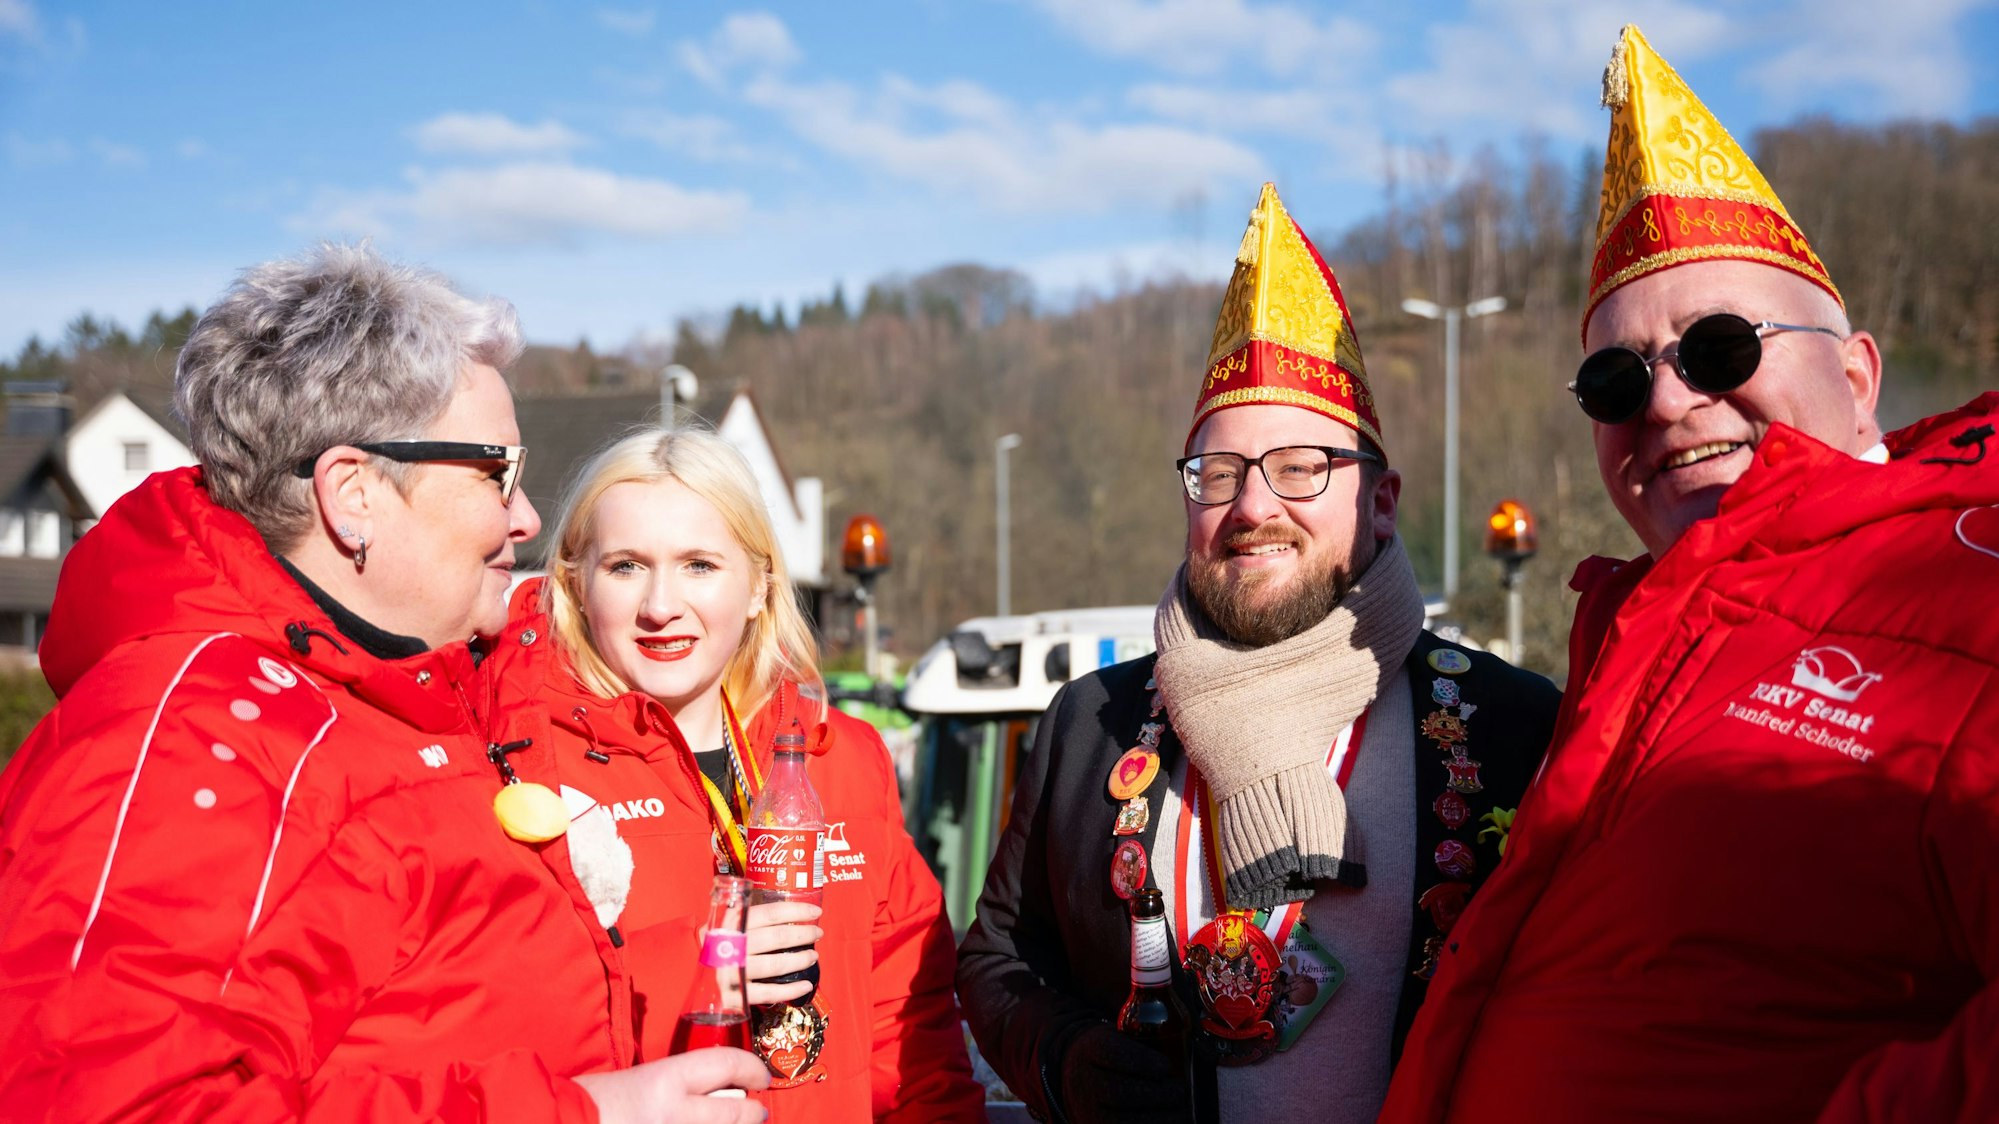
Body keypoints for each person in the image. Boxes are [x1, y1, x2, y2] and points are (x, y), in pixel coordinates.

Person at [1380, 26, 1999, 1124]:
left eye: (1719, 349)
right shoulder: (1636, 634)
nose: (1665, 402)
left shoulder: (1965, 596)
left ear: (1857, 374)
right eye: (1615, 378)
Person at [0, 245, 768, 1123]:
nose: (524, 516)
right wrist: (590, 1115)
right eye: (496, 474)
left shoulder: (397, 692)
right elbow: (104, 1104)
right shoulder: (194, 745)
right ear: (354, 493)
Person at [956, 183, 1561, 1124]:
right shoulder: (1093, 721)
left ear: (1383, 500)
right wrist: (1062, 1058)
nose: (1250, 507)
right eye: (1219, 473)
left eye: (1300, 467)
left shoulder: (1513, 727)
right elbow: (997, 956)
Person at [482, 426, 985, 1122]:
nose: (661, 606)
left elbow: (910, 1022)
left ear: (758, 587)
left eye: (699, 565)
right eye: (626, 566)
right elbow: (494, 1033)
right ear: (575, 583)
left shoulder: (841, 757)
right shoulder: (515, 767)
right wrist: (700, 965)